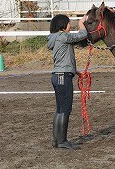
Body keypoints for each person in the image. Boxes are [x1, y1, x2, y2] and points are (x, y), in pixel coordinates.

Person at [47, 14, 87, 150]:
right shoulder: (64, 36)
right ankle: (62, 140)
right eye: (69, 23)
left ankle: (56, 139)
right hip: (63, 77)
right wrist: (82, 24)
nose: (70, 25)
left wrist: (75, 70)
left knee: (60, 109)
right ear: (63, 25)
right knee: (65, 109)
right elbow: (82, 36)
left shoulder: (56, 38)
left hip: (57, 75)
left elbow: (64, 58)